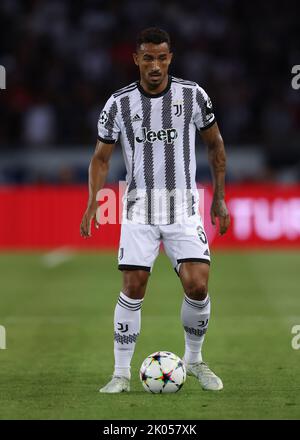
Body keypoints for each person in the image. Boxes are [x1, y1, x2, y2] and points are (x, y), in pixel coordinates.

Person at [80, 27, 230, 393]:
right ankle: (120, 374)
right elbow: (101, 157)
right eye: (148, 57)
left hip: (183, 208)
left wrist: (220, 197)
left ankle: (194, 360)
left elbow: (215, 146)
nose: (155, 65)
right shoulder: (118, 103)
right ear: (136, 60)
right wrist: (92, 202)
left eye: (162, 57)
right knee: (134, 285)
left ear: (170, 58)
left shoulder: (193, 96)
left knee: (197, 285)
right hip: (139, 209)